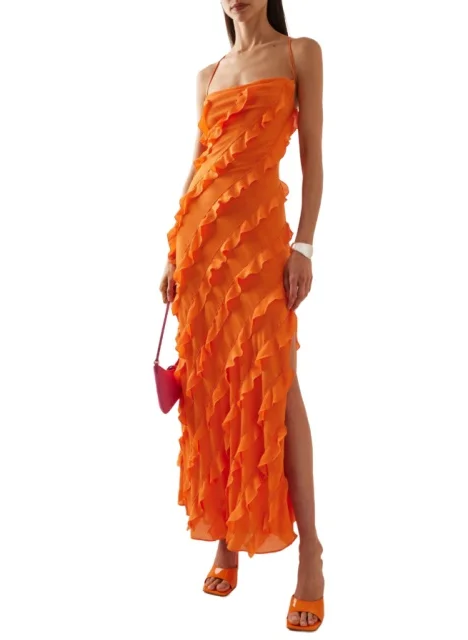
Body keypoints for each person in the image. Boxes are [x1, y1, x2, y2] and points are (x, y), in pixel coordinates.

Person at [159, 0, 324, 631]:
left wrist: (304, 245)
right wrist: (173, 253)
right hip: (201, 252)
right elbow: (197, 164)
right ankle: (227, 536)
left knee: (279, 388)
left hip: (259, 249)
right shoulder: (209, 73)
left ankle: (310, 556)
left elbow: (313, 158)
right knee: (210, 389)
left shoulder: (300, 54)